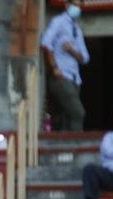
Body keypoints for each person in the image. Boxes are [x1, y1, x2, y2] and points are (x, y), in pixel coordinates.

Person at [41, 0, 88, 131]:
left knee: (67, 117)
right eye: (75, 5)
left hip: (75, 79)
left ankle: (66, 149)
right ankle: (77, 145)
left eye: (80, 5)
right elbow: (46, 43)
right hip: (61, 76)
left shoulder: (77, 29)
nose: (77, 8)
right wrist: (54, 67)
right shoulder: (58, 22)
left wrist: (72, 51)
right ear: (67, 5)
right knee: (78, 113)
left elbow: (85, 58)